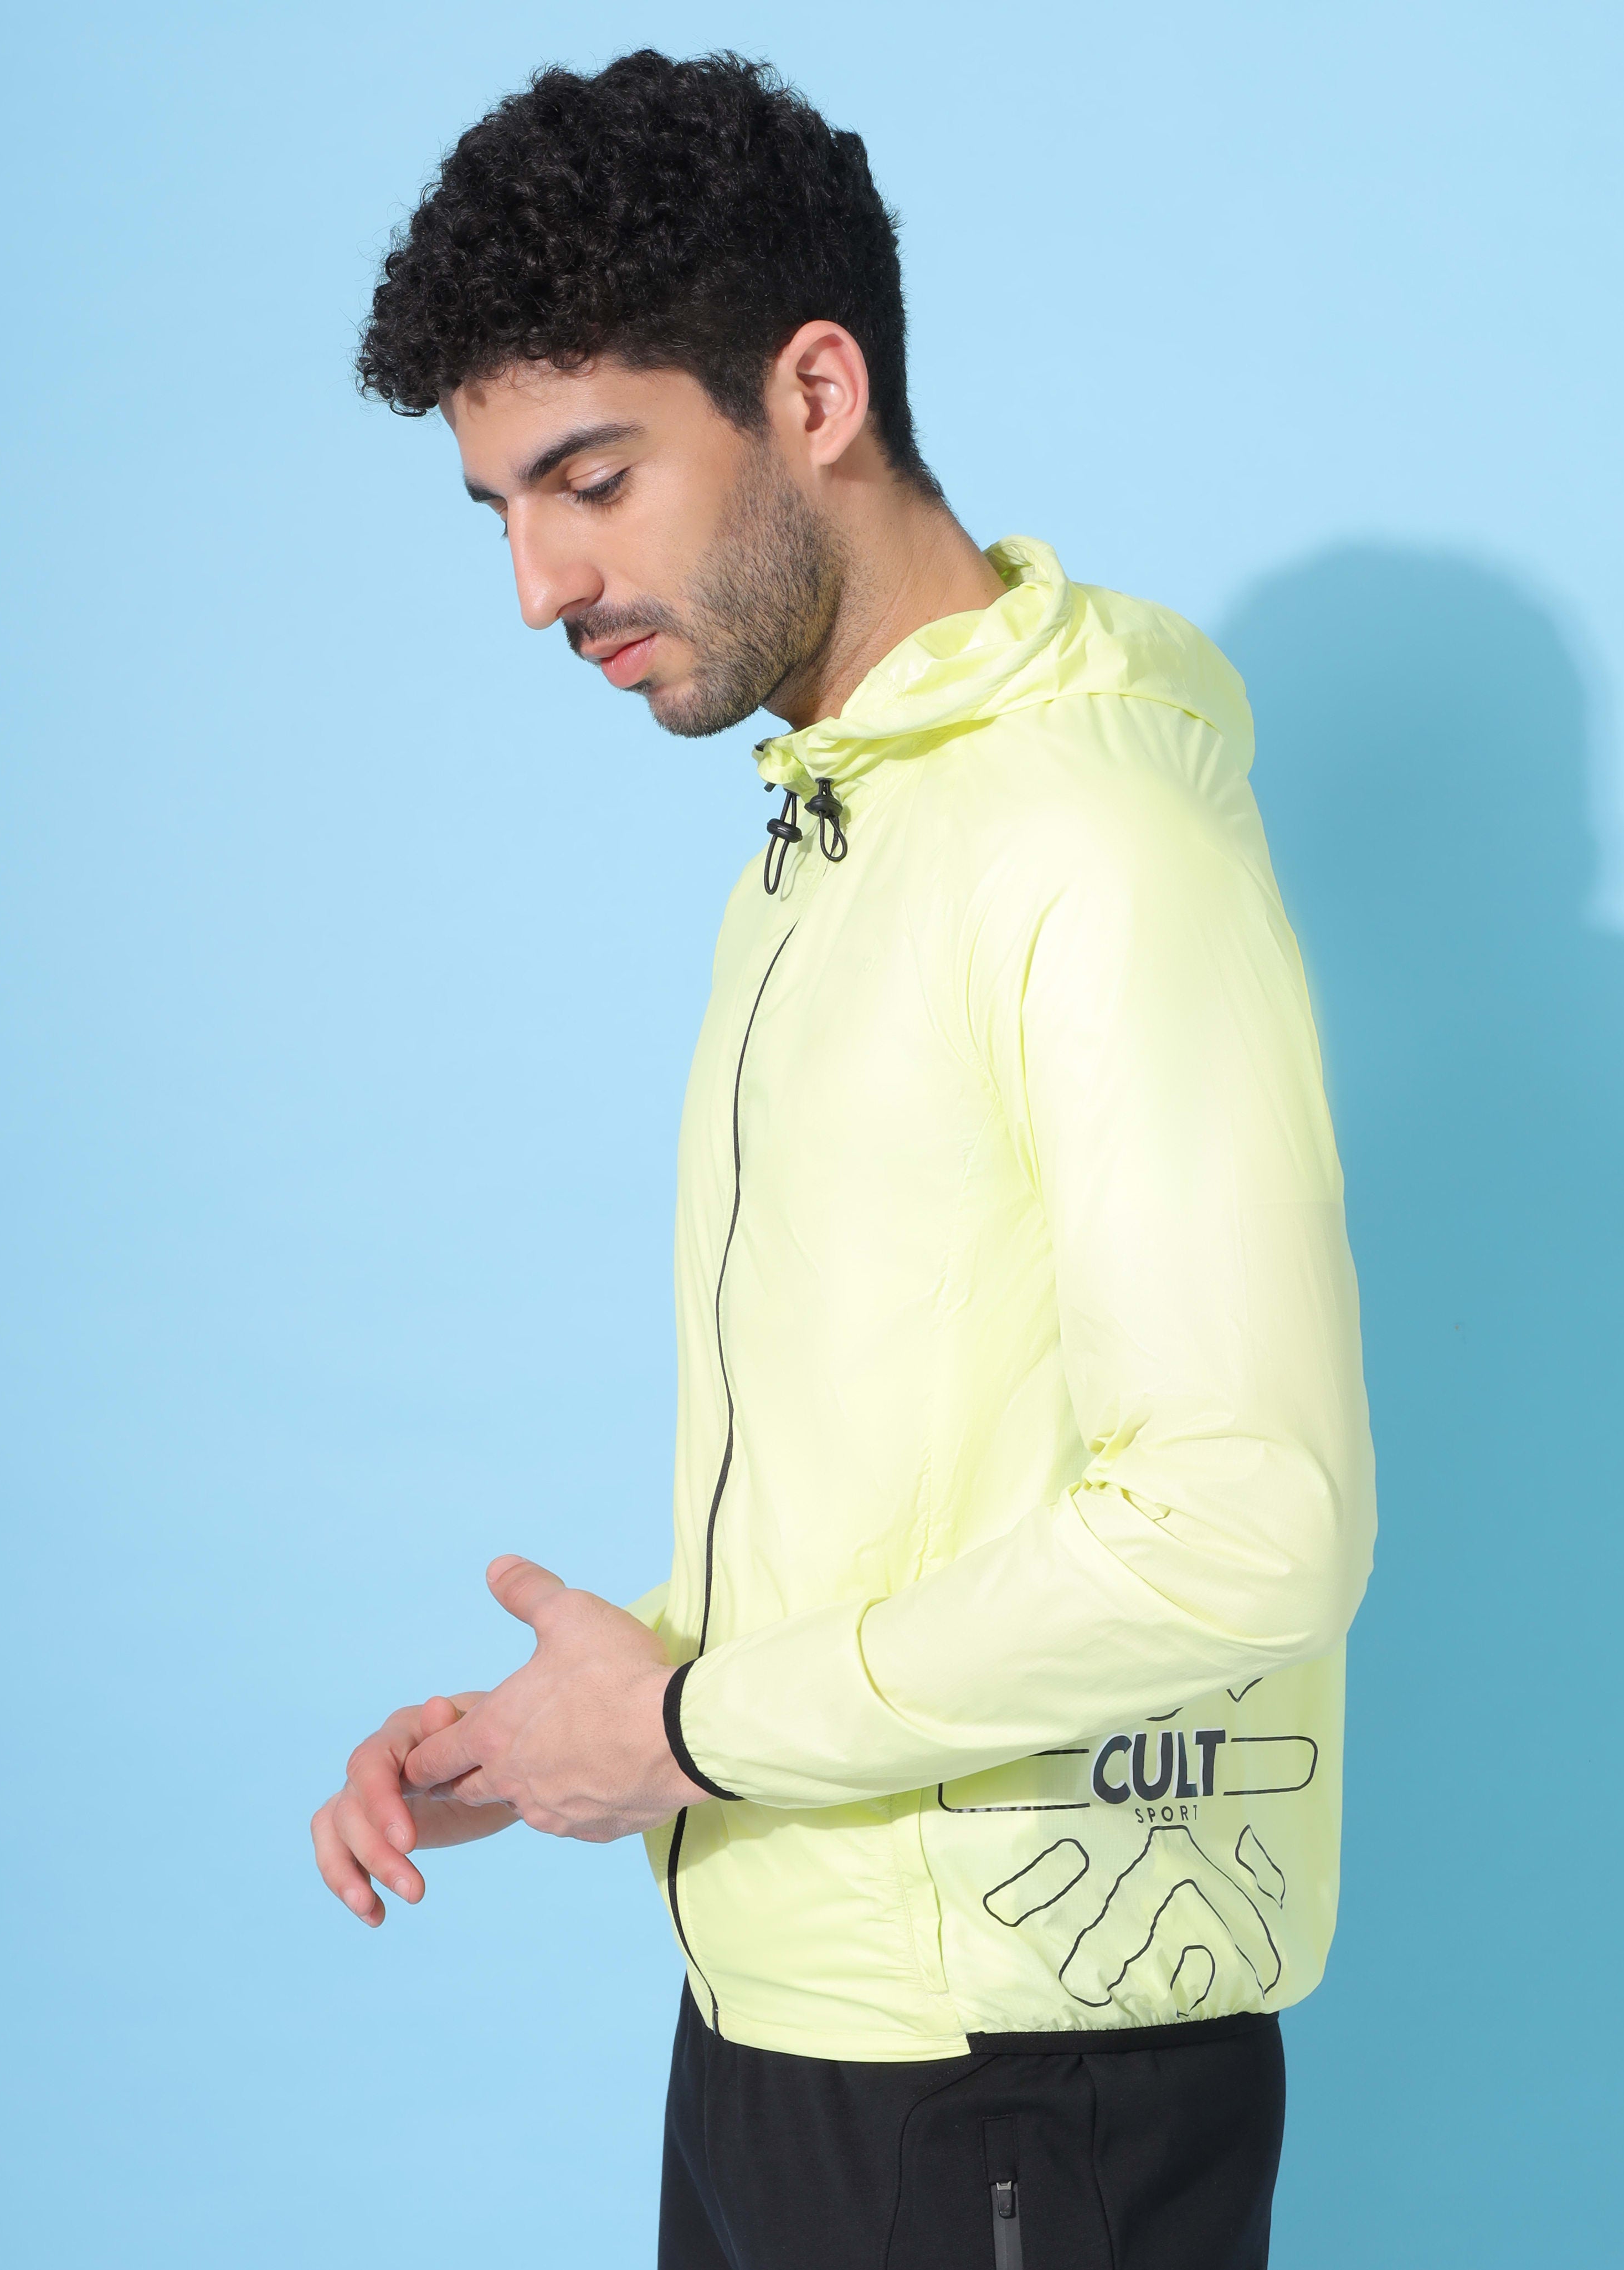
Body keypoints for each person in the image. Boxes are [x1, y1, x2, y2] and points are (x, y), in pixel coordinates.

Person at [309, 50, 1375, 2270]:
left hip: (1011, 2073)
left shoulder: (1093, 837)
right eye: (499, 506)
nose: (537, 583)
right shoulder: (832, 835)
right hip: (781, 2025)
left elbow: (1248, 1517)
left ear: (815, 391)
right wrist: (579, 1725)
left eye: (590, 477)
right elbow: (921, 1476)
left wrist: (689, 1724)